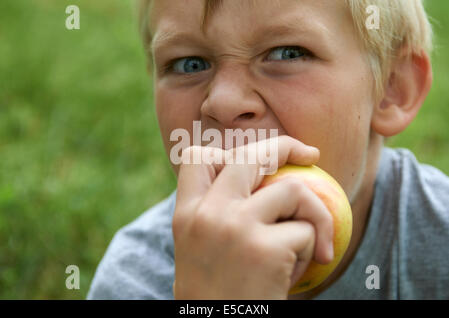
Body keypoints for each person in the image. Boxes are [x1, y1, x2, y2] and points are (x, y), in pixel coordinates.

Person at [87, 0, 449, 299]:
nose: (224, 101)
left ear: (391, 88)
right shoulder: (135, 282)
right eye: (189, 64)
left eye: (286, 53)